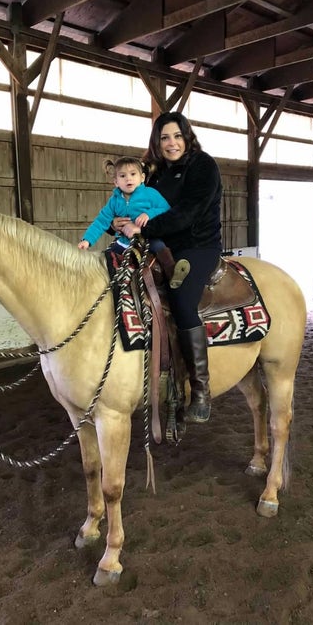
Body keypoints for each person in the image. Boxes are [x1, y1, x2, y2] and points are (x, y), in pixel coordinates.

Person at [116, 112, 223, 423]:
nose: (171, 143)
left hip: (197, 247)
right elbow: (135, 206)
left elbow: (189, 212)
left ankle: (201, 391)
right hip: (159, 246)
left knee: (182, 301)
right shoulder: (154, 173)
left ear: (187, 137)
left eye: (177, 136)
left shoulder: (203, 166)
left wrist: (145, 230)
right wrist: (120, 223)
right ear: (157, 142)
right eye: (164, 138)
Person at [77, 156, 187, 286]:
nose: (128, 178)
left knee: (160, 248)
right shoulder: (114, 201)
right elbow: (101, 221)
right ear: (116, 182)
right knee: (106, 259)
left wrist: (149, 213)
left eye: (133, 174)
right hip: (124, 242)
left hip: (148, 238)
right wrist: (87, 240)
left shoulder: (150, 194)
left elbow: (165, 209)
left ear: (142, 178)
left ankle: (173, 273)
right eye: (123, 176)